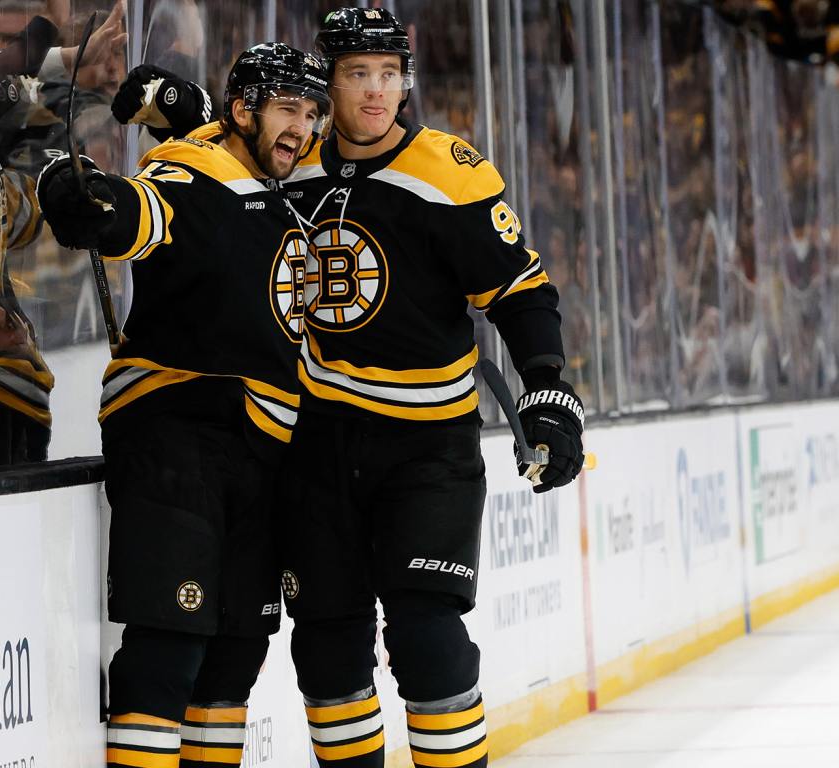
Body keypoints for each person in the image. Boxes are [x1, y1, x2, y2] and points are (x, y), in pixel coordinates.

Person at [272, 9, 586, 767]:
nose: (377, 91)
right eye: (357, 74)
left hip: (427, 449)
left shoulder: (448, 169)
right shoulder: (291, 166)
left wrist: (546, 386)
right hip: (317, 446)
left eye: (388, 73)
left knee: (428, 639)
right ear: (331, 80)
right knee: (325, 649)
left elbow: (518, 286)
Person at [35, 42, 332, 768]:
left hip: (261, 450)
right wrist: (84, 197)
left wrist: (188, 109)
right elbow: (145, 210)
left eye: (312, 112)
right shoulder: (193, 172)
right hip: (179, 435)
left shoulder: (270, 182)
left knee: (233, 660)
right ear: (245, 110)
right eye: (288, 109)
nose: (303, 126)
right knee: (168, 648)